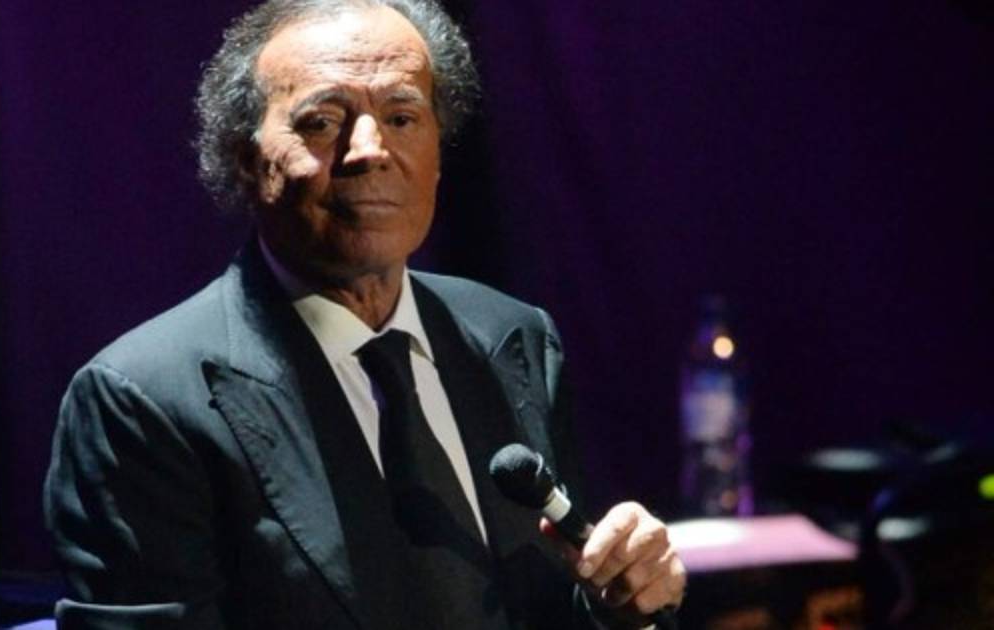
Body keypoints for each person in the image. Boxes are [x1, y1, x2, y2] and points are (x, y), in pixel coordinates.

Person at [43, 1, 687, 628]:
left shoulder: (512, 336)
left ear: (439, 153)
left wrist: (619, 606)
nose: (370, 149)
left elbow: (548, 606)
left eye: (402, 117)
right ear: (246, 157)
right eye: (323, 121)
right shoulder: (144, 399)